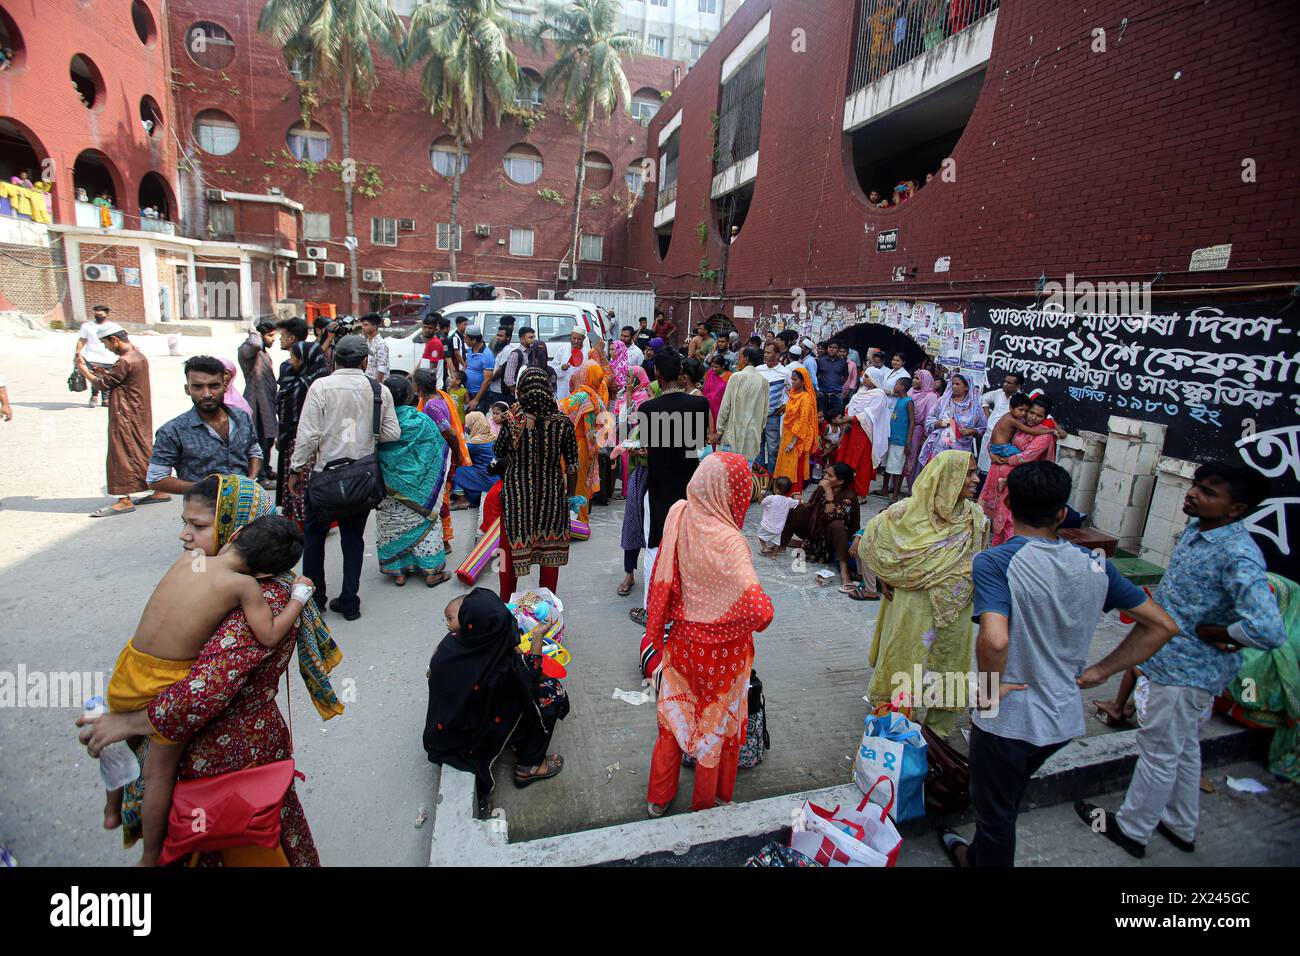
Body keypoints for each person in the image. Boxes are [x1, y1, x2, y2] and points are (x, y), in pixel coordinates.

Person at [77, 474, 339, 866]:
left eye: (198, 526)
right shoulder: (226, 578)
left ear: (237, 530)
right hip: (224, 757)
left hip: (227, 765)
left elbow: (203, 690)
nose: (185, 536)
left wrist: (128, 723)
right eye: (185, 523)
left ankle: (144, 847)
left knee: (233, 843)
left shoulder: (261, 595)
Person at [939, 461, 1175, 868]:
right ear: (1062, 513)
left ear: (1007, 502)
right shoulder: (1097, 564)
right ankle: (977, 854)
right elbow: (1161, 625)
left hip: (1010, 719)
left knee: (994, 814)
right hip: (1061, 717)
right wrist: (1102, 670)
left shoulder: (995, 562)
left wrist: (989, 693)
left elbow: (995, 639)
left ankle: (979, 861)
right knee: (1005, 798)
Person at [1076, 463, 1285, 859]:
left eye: (1207, 491)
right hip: (1169, 659)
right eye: (1195, 485)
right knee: (1184, 747)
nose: (1192, 494)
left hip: (1189, 670)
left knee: (1158, 750)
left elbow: (1269, 629)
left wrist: (1220, 634)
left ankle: (1132, 829)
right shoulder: (1198, 529)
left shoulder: (1238, 554)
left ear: (1235, 509)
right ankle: (1179, 822)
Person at [646, 453, 775, 815]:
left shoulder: (680, 514)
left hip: (682, 643)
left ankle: (658, 798)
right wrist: (730, 618)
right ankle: (707, 803)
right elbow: (760, 611)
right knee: (715, 728)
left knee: (673, 719)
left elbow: (664, 573)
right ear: (731, 492)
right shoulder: (731, 542)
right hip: (725, 655)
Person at [860, 450, 986, 728]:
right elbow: (869, 542)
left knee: (948, 662)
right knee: (906, 657)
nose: (977, 479)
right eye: (970, 473)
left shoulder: (975, 517)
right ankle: (894, 720)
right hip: (913, 604)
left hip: (956, 609)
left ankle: (937, 731)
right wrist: (886, 575)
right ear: (947, 477)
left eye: (976, 472)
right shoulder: (905, 512)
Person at [287, 334, 402, 621]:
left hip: (324, 478)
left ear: (334, 358)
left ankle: (315, 599)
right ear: (365, 361)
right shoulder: (379, 390)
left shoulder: (321, 387)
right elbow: (392, 434)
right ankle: (350, 602)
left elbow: (308, 434)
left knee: (314, 537)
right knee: (353, 539)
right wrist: (366, 434)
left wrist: (295, 468)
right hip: (362, 478)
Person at [424, 589, 569, 795]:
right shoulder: (501, 667)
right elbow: (531, 675)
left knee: (514, 696)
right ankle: (530, 765)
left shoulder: (453, 643)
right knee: (551, 695)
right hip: (471, 736)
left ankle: (516, 739)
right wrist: (537, 636)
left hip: (445, 731)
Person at [630, 348, 712, 624]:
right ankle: (684, 608)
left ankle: (651, 610)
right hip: (690, 487)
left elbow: (649, 448)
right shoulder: (700, 405)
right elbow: (699, 445)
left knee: (655, 545)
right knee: (686, 547)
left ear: (656, 374)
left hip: (659, 487)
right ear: (681, 374)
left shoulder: (648, 408)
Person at [494, 367, 581, 600]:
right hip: (552, 497)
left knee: (509, 552)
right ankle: (548, 608)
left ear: (521, 390)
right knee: (550, 553)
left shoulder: (513, 420)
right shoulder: (563, 423)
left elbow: (498, 451)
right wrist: (571, 497)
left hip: (516, 498)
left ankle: (505, 603)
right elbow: (572, 466)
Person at [76, 324, 171, 517]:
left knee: (120, 455)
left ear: (114, 340)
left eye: (106, 344)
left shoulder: (125, 361)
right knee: (142, 450)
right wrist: (104, 370)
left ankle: (124, 499)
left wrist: (83, 369)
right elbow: (120, 379)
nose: (106, 348)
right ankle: (160, 489)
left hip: (125, 414)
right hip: (139, 412)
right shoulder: (138, 356)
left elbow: (103, 385)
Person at [146, 356, 264, 494]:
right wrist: (209, 489)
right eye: (198, 387)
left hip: (245, 507)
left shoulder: (242, 417)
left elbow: (254, 451)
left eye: (214, 386)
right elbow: (156, 479)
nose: (207, 394)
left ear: (225, 386)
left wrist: (250, 479)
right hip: (202, 511)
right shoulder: (172, 431)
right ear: (187, 389)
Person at [375, 375, 452, 588]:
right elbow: (438, 449)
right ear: (411, 394)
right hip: (422, 492)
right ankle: (431, 573)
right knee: (426, 525)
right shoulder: (421, 421)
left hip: (389, 489)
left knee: (392, 525)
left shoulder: (378, 423)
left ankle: (398, 571)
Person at [979, 396, 1062, 546]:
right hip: (999, 479)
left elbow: (1027, 456)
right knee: (999, 517)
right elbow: (997, 439)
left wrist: (1004, 460)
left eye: (1039, 416)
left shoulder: (1045, 435)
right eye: (1031, 412)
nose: (1033, 417)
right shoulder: (1018, 424)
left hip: (1019, 482)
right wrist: (992, 453)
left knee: (1012, 519)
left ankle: (1011, 553)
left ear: (1045, 417)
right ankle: (996, 551)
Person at [780, 461, 865, 597]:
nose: (825, 477)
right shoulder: (822, 488)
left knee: (837, 525)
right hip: (816, 534)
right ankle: (780, 547)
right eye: (825, 473)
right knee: (796, 510)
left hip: (836, 542)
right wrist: (797, 501)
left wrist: (829, 495)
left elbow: (833, 517)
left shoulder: (849, 496)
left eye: (829, 475)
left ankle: (844, 572)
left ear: (841, 481)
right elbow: (811, 507)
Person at [275, 340, 328, 526]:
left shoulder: (299, 386)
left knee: (298, 483)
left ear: (303, 360)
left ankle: (301, 521)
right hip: (320, 442)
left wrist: (280, 436)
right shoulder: (322, 383)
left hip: (299, 441)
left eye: (293, 357)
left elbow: (285, 413)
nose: (290, 362)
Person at [616, 365, 655, 598]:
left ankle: (655, 577)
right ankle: (629, 573)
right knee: (632, 523)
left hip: (657, 475)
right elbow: (625, 424)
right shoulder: (630, 398)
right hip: (638, 473)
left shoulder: (657, 404)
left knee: (657, 528)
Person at [558, 363, 608, 524]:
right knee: (582, 485)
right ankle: (581, 520)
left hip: (577, 445)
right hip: (589, 447)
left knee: (575, 485)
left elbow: (560, 409)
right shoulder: (597, 397)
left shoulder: (582, 396)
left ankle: (577, 523)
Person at [916, 372, 987, 473]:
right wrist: (944, 423)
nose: (954, 386)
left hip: (961, 450)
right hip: (941, 447)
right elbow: (929, 421)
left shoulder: (974, 407)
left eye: (958, 384)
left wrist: (970, 431)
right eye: (953, 384)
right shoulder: (943, 402)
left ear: (966, 387)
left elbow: (982, 428)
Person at [835, 377, 891, 499]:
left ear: (874, 379)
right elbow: (850, 407)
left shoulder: (879, 395)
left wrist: (852, 418)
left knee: (861, 463)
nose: (863, 378)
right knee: (847, 459)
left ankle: (860, 494)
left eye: (867, 376)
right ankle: (846, 489)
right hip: (851, 430)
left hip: (865, 432)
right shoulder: (861, 391)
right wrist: (846, 418)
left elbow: (871, 414)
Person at [237, 320, 280, 474]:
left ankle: (266, 469)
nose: (273, 339)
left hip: (267, 404)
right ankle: (259, 475)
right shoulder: (247, 351)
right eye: (270, 336)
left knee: (268, 440)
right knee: (259, 440)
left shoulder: (263, 353)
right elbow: (254, 344)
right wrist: (254, 333)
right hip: (256, 404)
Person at [712, 345, 767, 463]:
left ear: (746, 359)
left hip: (731, 435)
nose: (738, 361)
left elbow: (725, 406)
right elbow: (764, 413)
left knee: (728, 473)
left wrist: (719, 430)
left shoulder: (736, 377)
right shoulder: (763, 382)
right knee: (745, 474)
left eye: (740, 357)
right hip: (752, 438)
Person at [775, 365, 819, 491]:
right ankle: (784, 492)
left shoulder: (806, 398)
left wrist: (793, 442)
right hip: (787, 436)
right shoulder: (793, 394)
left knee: (795, 468)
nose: (792, 382)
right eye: (792, 379)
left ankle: (794, 494)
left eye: (795, 380)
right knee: (785, 466)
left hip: (797, 439)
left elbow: (803, 422)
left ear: (803, 381)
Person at [756, 341, 792, 473]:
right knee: (757, 449)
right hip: (757, 415)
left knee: (773, 450)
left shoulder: (785, 372)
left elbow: (793, 392)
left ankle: (772, 479)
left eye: (768, 353)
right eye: (765, 352)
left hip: (773, 417)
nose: (765, 355)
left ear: (777, 355)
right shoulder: (758, 369)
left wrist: (785, 405)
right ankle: (759, 479)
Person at [978, 372, 1025, 475]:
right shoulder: (998, 393)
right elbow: (984, 399)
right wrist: (987, 415)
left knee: (996, 470)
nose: (1005, 384)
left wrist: (1056, 427)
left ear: (1018, 386)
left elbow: (1042, 414)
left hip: (1002, 443)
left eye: (1009, 383)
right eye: (1005, 381)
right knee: (982, 468)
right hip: (988, 436)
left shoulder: (1022, 400)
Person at [451, 410, 497, 508]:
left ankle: (461, 500)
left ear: (474, 425)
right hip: (494, 476)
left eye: (469, 425)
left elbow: (458, 452)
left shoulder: (476, 443)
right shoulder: (491, 436)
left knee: (456, 470)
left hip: (486, 477)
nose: (467, 428)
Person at [904, 369, 940, 489]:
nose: (914, 381)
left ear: (925, 381)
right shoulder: (911, 392)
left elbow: (928, 418)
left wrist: (925, 436)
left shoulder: (931, 396)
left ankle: (913, 487)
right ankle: (895, 485)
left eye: (917, 378)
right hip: (905, 428)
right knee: (902, 456)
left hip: (918, 431)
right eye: (913, 377)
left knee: (915, 460)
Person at [76, 304, 118, 407]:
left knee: (107, 378)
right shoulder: (87, 326)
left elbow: (120, 339)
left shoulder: (113, 326)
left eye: (101, 314)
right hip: (93, 356)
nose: (98, 316)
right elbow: (82, 340)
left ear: (107, 315)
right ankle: (94, 396)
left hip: (109, 357)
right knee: (96, 377)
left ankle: (105, 398)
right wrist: (78, 352)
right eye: (96, 314)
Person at [883, 376, 915, 503]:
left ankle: (895, 494)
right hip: (892, 437)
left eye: (897, 384)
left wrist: (908, 441)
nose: (895, 386)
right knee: (887, 464)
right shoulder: (898, 400)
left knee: (897, 467)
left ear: (902, 387)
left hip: (901, 440)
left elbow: (912, 422)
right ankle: (885, 488)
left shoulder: (908, 401)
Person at [757, 475, 799, 556]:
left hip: (767, 525)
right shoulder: (789, 501)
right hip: (779, 528)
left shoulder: (770, 498)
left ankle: (765, 548)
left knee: (760, 536)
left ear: (776, 489)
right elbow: (798, 502)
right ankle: (773, 555)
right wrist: (797, 497)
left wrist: (762, 492)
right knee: (777, 541)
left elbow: (760, 502)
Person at [462, 326, 496, 414]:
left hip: (480, 395)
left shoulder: (487, 355)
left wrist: (476, 399)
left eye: (466, 339)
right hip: (468, 392)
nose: (464, 341)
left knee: (478, 423)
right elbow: (466, 365)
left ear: (473, 340)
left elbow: (487, 380)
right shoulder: (470, 350)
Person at [815, 341, 849, 417]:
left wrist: (838, 384)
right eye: (830, 347)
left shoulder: (843, 362)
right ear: (827, 349)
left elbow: (846, 376)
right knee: (821, 418)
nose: (831, 349)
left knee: (837, 418)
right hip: (822, 394)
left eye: (834, 348)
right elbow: (815, 375)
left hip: (837, 395)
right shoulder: (820, 360)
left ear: (838, 349)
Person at [358, 313, 389, 383]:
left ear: (375, 326)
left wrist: (378, 385)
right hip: (368, 380)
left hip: (376, 383)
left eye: (366, 325)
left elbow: (382, 367)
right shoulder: (367, 341)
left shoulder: (381, 344)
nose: (363, 327)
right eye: (362, 325)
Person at [701, 352, 730, 425]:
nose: (713, 369)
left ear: (723, 366)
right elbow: (704, 387)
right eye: (712, 366)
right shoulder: (710, 372)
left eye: (716, 367)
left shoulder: (729, 376)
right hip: (707, 405)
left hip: (720, 407)